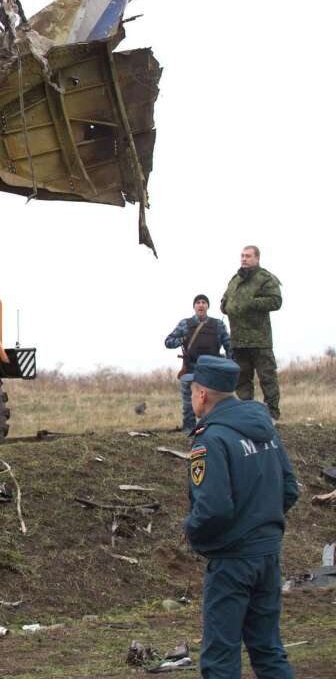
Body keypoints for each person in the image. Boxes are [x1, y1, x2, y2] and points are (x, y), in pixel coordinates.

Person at [184, 355, 298, 678]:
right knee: (268, 650)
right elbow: (290, 488)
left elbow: (213, 510)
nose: (191, 398)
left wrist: (190, 531)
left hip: (232, 563)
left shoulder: (211, 439)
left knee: (220, 659)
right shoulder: (265, 429)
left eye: (192, 391)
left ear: (202, 394)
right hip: (268, 556)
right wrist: (261, 524)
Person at [220, 246, 283, 419]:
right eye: (242, 256)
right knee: (242, 379)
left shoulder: (265, 278)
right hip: (239, 340)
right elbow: (225, 300)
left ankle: (272, 414)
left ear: (257, 258)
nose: (243, 259)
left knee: (267, 377)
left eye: (247, 256)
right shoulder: (235, 279)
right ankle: (247, 414)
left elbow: (276, 301)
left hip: (259, 339)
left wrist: (251, 303)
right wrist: (226, 306)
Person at [164, 294, 230, 432]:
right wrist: (181, 340)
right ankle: (188, 429)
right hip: (191, 368)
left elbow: (229, 345)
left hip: (212, 369)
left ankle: (212, 428)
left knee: (213, 401)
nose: (201, 305)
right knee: (188, 401)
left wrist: (229, 365)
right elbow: (168, 342)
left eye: (204, 302)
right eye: (198, 302)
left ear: (207, 306)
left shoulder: (218, 324)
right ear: (194, 306)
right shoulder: (185, 324)